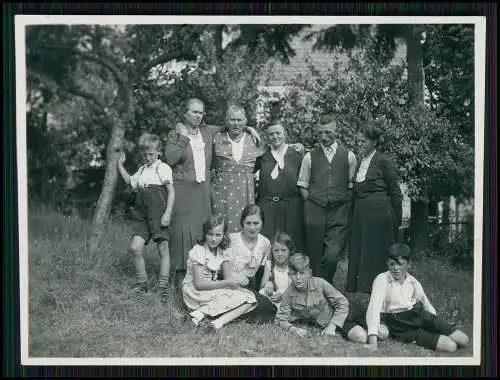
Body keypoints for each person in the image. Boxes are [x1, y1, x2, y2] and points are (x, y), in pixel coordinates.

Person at [164, 99, 261, 288]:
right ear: (185, 113)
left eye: (200, 113)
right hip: (183, 191)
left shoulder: (207, 131)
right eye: (194, 112)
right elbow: (170, 158)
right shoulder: (175, 134)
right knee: (181, 235)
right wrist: (183, 137)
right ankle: (179, 283)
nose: (197, 116)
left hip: (203, 192)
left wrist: (250, 129)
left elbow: (232, 125)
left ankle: (203, 279)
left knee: (204, 234)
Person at [364, 243, 470, 352]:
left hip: (419, 315)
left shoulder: (413, 281)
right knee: (450, 346)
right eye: (392, 264)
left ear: (408, 264)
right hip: (400, 324)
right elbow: (374, 309)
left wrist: (435, 324)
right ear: (387, 263)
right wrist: (373, 342)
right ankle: (426, 336)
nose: (396, 268)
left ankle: (432, 333)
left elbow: (426, 303)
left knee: (464, 339)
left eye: (400, 264)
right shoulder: (381, 280)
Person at [297, 114, 357, 283]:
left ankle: (324, 286)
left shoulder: (349, 157)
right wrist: (313, 203)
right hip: (315, 212)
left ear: (336, 131)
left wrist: (343, 206)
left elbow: (351, 186)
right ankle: (318, 293)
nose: (324, 137)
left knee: (331, 256)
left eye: (328, 132)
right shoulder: (309, 157)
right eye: (320, 133)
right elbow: (302, 185)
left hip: (338, 213)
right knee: (315, 256)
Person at [345, 122, 404, 293]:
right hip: (361, 220)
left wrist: (395, 221)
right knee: (362, 256)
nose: (359, 145)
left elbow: (396, 193)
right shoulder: (359, 162)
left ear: (374, 142)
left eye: (363, 141)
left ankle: (382, 294)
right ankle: (363, 292)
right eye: (358, 141)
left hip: (380, 219)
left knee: (377, 258)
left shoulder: (384, 162)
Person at [117, 133, 175, 299]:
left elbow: (171, 192)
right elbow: (130, 181)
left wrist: (168, 213)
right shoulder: (142, 170)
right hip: (142, 215)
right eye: (145, 154)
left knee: (163, 249)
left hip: (159, 214)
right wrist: (120, 165)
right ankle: (142, 284)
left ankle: (163, 287)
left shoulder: (162, 168)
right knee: (135, 247)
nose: (148, 157)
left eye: (151, 154)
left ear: (158, 153)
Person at [275, 253, 372, 343]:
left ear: (309, 273)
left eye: (302, 273)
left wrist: (332, 326)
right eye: (294, 274)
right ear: (289, 275)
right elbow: (280, 319)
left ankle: (373, 325)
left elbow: (342, 303)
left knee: (376, 334)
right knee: (361, 338)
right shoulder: (288, 294)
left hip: (346, 314)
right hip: (328, 323)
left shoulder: (320, 283)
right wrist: (294, 329)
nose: (298, 278)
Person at [182, 215, 257, 331]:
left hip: (211, 289)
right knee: (241, 297)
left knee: (250, 299)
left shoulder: (222, 251)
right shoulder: (199, 250)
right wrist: (227, 283)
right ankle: (199, 313)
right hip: (195, 292)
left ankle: (214, 323)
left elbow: (228, 280)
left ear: (224, 235)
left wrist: (237, 283)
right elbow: (199, 284)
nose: (213, 239)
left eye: (218, 235)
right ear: (204, 233)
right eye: (210, 234)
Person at [211, 105, 267, 233]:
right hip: (221, 192)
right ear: (226, 121)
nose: (236, 123)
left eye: (239, 120)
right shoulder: (216, 138)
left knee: (245, 223)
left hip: (245, 190)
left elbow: (274, 148)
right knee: (220, 227)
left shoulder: (254, 140)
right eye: (232, 120)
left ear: (245, 121)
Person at [222, 203, 278, 323]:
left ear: (262, 223)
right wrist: (235, 277)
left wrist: (266, 284)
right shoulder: (231, 239)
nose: (252, 228)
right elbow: (221, 268)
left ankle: (237, 313)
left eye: (256, 223)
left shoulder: (265, 243)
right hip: (229, 284)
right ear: (242, 223)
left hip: (250, 285)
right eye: (248, 223)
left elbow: (266, 269)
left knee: (269, 308)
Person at [255, 121, 306, 251]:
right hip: (268, 206)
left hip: (292, 206)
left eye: (278, 133)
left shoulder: (296, 153)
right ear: (266, 137)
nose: (275, 137)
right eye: (271, 134)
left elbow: (306, 178)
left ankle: (293, 270)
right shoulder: (262, 156)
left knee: (292, 242)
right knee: (268, 243)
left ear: (285, 134)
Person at [259, 231, 294, 307]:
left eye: (283, 250)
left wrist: (283, 295)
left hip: (289, 298)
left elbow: (297, 288)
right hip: (274, 299)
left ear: (290, 251)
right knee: (262, 292)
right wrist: (267, 284)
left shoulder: (292, 265)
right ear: (271, 251)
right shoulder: (269, 264)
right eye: (276, 250)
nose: (280, 254)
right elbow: (262, 285)